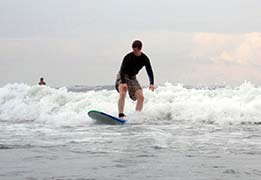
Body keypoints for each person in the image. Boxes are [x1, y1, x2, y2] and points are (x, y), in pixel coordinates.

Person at [115, 40, 155, 118]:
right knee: (123, 91)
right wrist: (123, 82)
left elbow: (149, 71)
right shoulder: (128, 57)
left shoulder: (144, 58)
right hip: (122, 76)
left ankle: (136, 117)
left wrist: (151, 83)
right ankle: (120, 114)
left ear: (140, 49)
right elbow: (122, 70)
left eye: (136, 50)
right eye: (133, 50)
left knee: (141, 97)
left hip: (132, 78)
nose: (134, 52)